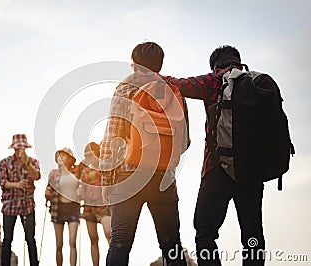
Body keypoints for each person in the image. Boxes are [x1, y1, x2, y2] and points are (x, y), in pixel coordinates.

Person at [165, 45, 266, 265]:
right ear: (239, 61)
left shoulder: (213, 81)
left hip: (216, 170)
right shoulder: (257, 84)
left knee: (206, 232)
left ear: (215, 65)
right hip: (252, 172)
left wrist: (149, 74)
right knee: (252, 234)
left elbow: (176, 84)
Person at [99, 42, 189, 266]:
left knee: (119, 242)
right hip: (163, 177)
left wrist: (106, 181)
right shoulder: (172, 89)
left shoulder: (124, 89)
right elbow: (184, 142)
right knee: (172, 244)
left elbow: (112, 137)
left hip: (128, 175)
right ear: (160, 64)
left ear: (134, 64)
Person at [0, 134, 41, 266]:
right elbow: (3, 182)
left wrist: (26, 162)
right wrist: (16, 185)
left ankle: (34, 264)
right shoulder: (4, 163)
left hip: (27, 204)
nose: (20, 151)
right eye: (18, 148)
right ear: (14, 149)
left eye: (22, 148)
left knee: (30, 238)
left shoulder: (32, 162)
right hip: (9, 205)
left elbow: (36, 176)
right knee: (7, 239)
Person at [45, 147, 80, 266]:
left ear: (69, 159)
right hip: (58, 208)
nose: (60, 158)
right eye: (59, 156)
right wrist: (47, 194)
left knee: (72, 242)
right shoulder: (53, 174)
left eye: (63, 156)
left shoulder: (77, 172)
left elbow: (84, 188)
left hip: (73, 208)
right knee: (59, 244)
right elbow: (48, 190)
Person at [78, 142, 111, 266]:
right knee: (93, 239)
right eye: (87, 155)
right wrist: (80, 191)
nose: (89, 158)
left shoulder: (105, 167)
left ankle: (114, 261)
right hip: (89, 206)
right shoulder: (84, 171)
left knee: (109, 233)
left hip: (103, 205)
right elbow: (82, 188)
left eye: (91, 155)